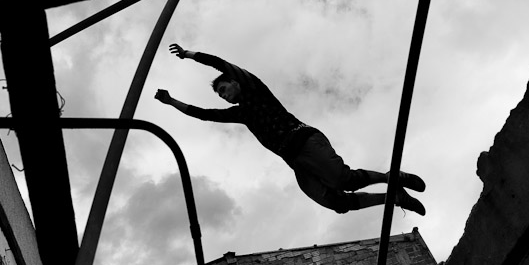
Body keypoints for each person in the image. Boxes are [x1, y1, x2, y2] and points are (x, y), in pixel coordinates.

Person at [154, 44, 426, 216]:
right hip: (295, 161)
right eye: (221, 95)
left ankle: (392, 177)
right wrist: (170, 101)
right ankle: (394, 197)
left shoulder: (254, 89)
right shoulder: (241, 113)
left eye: (224, 89)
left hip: (306, 140)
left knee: (346, 181)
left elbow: (220, 63)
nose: (224, 96)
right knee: (337, 203)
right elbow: (203, 115)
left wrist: (189, 55)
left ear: (235, 82)